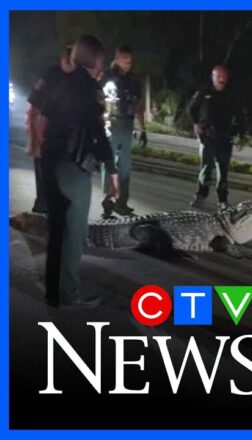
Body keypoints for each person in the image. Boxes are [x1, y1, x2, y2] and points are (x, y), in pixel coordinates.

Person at [40, 35, 119, 308]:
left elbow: (42, 117)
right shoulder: (89, 89)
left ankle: (54, 291)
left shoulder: (59, 79)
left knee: (57, 229)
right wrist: (112, 170)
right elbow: (97, 132)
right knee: (73, 232)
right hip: (73, 165)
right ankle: (69, 291)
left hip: (50, 158)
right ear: (96, 60)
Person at [25, 45, 75, 215]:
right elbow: (32, 108)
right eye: (71, 63)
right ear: (64, 60)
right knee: (44, 188)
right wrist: (33, 140)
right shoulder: (50, 76)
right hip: (45, 135)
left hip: (65, 140)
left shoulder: (78, 78)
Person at [188, 64, 245, 210]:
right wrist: (196, 124)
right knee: (206, 168)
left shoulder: (231, 94)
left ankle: (223, 200)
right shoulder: (204, 92)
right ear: (213, 77)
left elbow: (240, 115)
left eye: (224, 76)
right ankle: (200, 196)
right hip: (207, 136)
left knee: (223, 170)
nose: (221, 79)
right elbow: (192, 108)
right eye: (218, 76)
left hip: (225, 137)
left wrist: (241, 134)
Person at [100, 45, 146, 218]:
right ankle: (108, 202)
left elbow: (139, 106)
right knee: (111, 164)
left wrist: (143, 129)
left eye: (130, 59)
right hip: (112, 124)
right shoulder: (107, 77)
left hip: (127, 124)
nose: (129, 62)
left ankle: (122, 202)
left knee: (125, 166)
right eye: (125, 58)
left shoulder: (133, 80)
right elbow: (99, 100)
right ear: (117, 58)